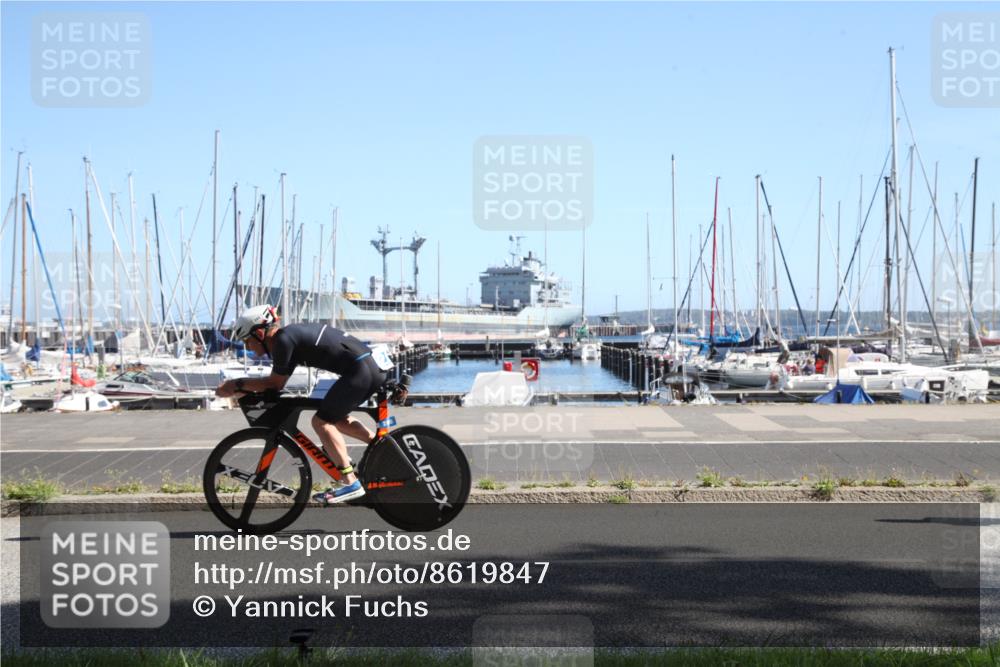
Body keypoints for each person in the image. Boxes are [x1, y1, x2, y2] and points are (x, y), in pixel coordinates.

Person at [215, 304, 392, 504]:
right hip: (369, 368)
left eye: (247, 341)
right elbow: (277, 385)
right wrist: (245, 387)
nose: (248, 348)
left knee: (321, 422)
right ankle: (380, 447)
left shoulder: (283, 340)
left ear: (260, 334)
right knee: (335, 418)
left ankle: (351, 482)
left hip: (360, 371)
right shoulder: (287, 339)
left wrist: (236, 384)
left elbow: (275, 383)